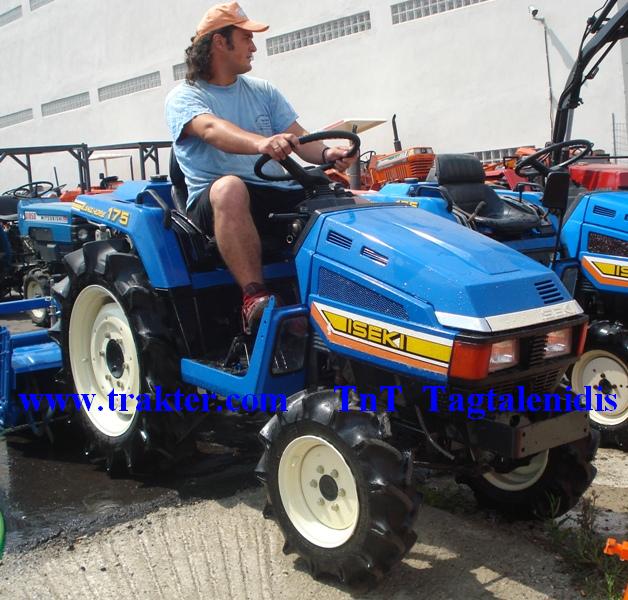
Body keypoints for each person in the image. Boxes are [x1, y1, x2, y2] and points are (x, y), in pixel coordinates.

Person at [165, 2, 356, 333]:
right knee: (230, 187)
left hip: (274, 191)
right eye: (246, 38)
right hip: (215, 203)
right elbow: (211, 129)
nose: (253, 47)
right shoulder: (184, 97)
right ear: (219, 42)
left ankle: (357, 299)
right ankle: (254, 297)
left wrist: (328, 153)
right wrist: (261, 143)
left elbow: (300, 139)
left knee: (350, 199)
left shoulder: (263, 91)